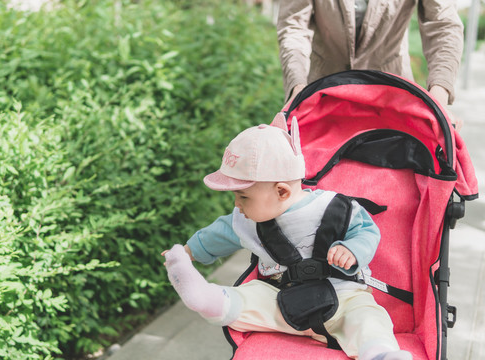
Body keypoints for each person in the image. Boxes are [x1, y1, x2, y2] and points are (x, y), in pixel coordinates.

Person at [162, 113, 412, 360]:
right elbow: (217, 234)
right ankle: (210, 299)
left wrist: (353, 250)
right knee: (251, 296)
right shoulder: (247, 220)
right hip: (281, 300)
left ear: (281, 191)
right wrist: (186, 252)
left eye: (243, 196)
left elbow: (367, 231)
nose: (237, 205)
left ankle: (379, 354)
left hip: (343, 298)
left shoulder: (337, 208)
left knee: (369, 318)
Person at [277, 0, 464, 130]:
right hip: (322, 94)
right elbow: (294, 26)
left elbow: (443, 25)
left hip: (393, 96)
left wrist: (437, 99)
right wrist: (298, 86)